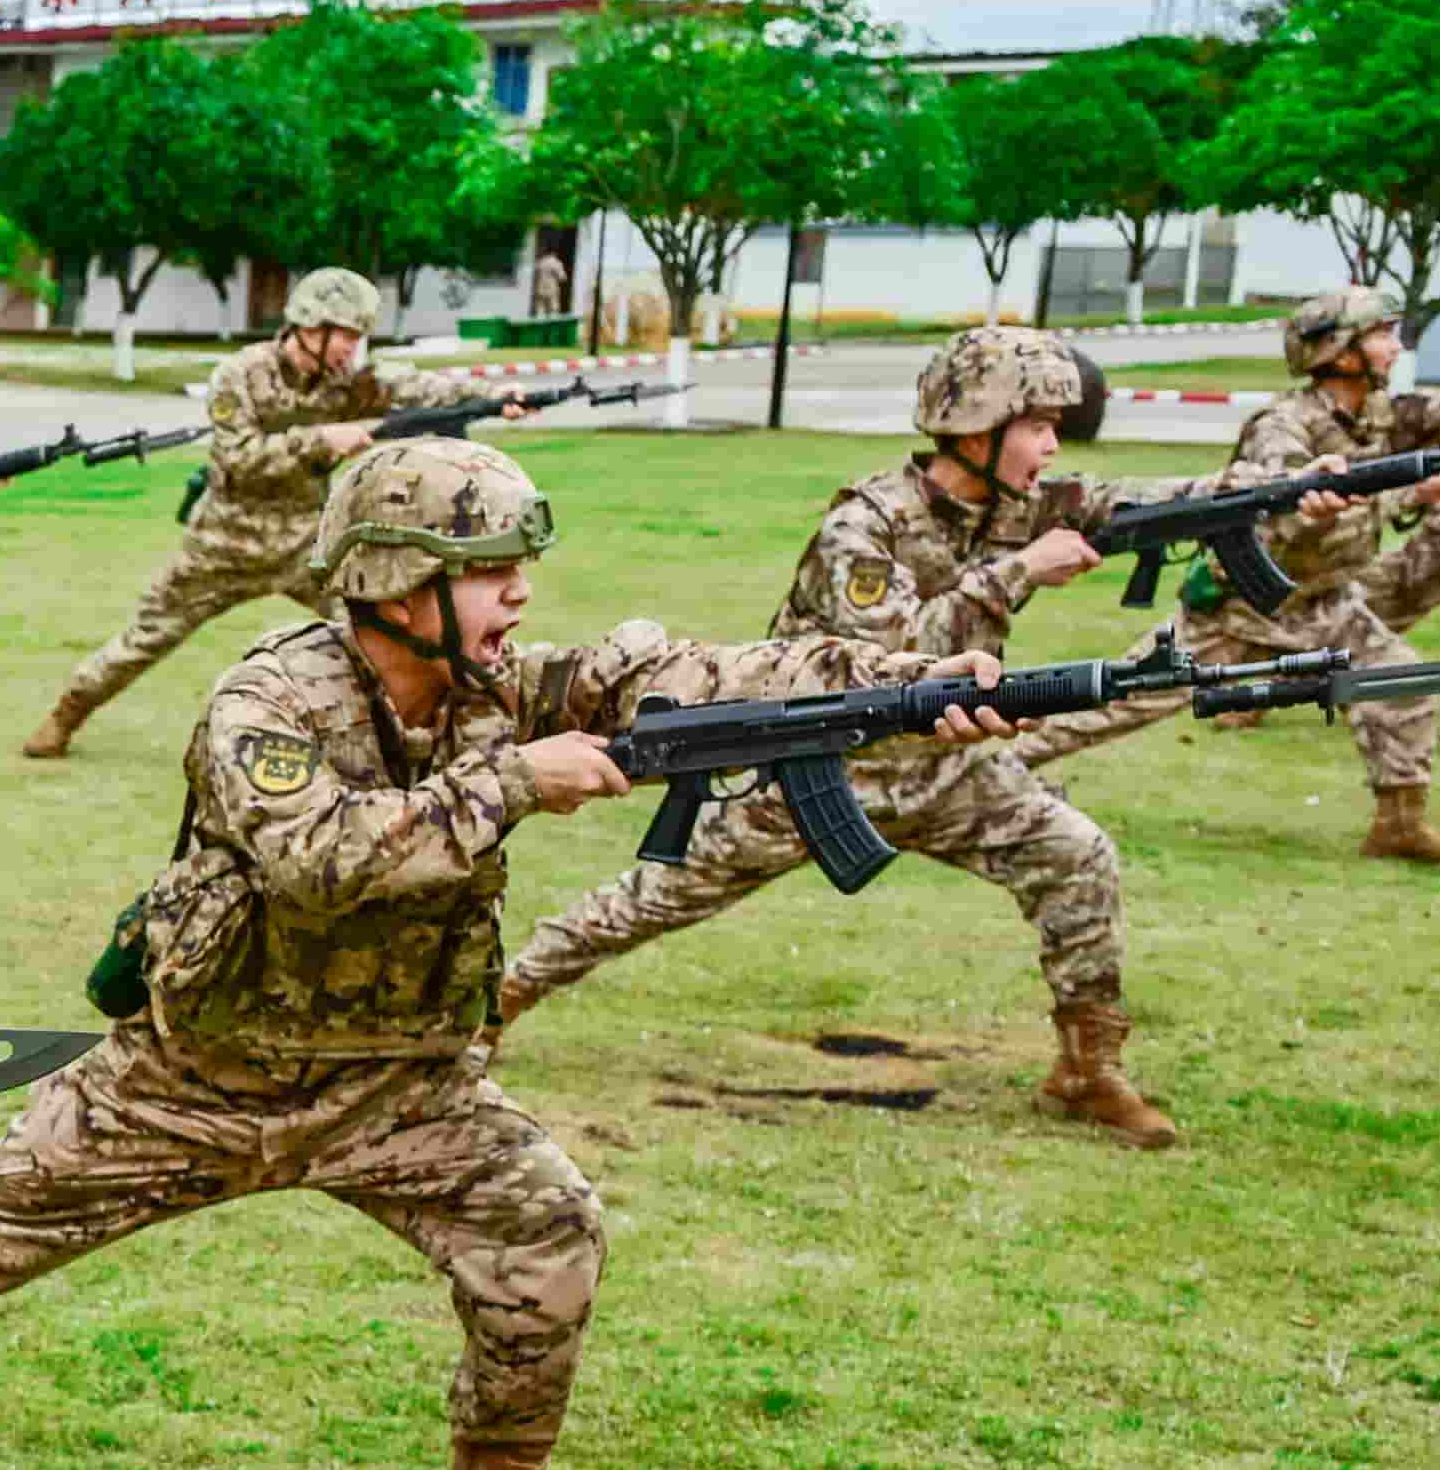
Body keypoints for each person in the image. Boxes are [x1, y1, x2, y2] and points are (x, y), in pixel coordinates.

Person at [0, 441, 1007, 1470]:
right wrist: (512, 786)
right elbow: (319, 859)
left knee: (546, 1232)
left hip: (400, 1082)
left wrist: (891, 688)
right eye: (487, 572)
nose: (518, 594)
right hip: (198, 1075)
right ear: (398, 582)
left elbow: (685, 673)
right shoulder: (270, 699)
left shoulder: (493, 683)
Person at [500, 325, 1187, 1147]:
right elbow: (903, 663)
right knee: (652, 898)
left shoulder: (1029, 503)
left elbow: (1153, 500)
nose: (1050, 444)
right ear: (977, 426)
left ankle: (1087, 1064)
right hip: (812, 767)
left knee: (1077, 857)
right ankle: (491, 1006)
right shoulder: (862, 528)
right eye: (1036, 425)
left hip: (946, 768)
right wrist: (1017, 572)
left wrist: (1292, 484)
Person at [1017, 287, 1440, 863]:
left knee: (1403, 683)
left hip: (1324, 603)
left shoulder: (1383, 414)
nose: (1396, 347)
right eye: (1381, 335)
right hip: (1244, 607)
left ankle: (1400, 822)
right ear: (1341, 352)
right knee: (1115, 702)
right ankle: (989, 767)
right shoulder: (1285, 423)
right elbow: (1276, 496)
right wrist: (1370, 496)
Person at [22, 266, 459, 760]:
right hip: (223, 541)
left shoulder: (345, 382)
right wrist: (320, 439)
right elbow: (238, 459)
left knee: (376, 632)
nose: (352, 349)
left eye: (358, 338)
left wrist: (499, 400)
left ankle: (409, 739)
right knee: (145, 638)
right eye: (348, 336)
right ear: (312, 327)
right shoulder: (240, 375)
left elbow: (416, 391)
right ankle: (67, 714)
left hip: (308, 542)